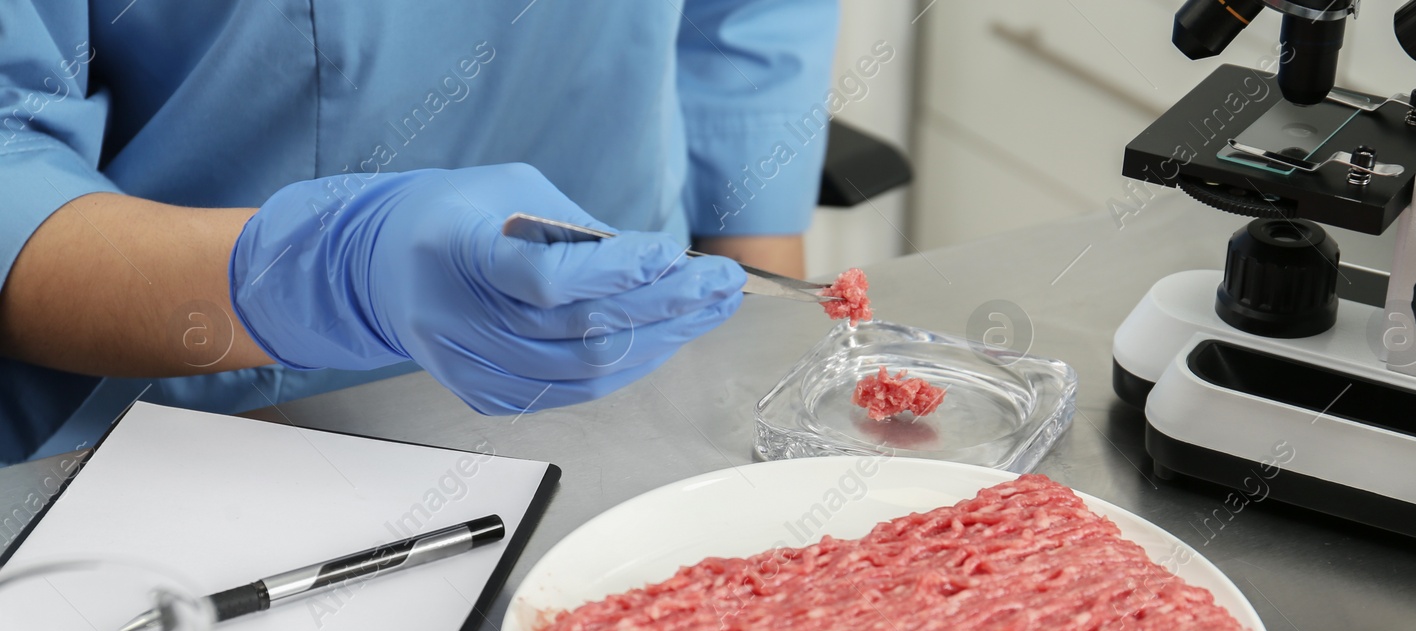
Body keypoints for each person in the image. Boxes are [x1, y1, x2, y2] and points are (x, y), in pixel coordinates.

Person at [0, 1, 840, 464]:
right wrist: (326, 271)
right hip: (202, 429)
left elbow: (751, 24)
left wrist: (768, 356)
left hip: (631, 384)